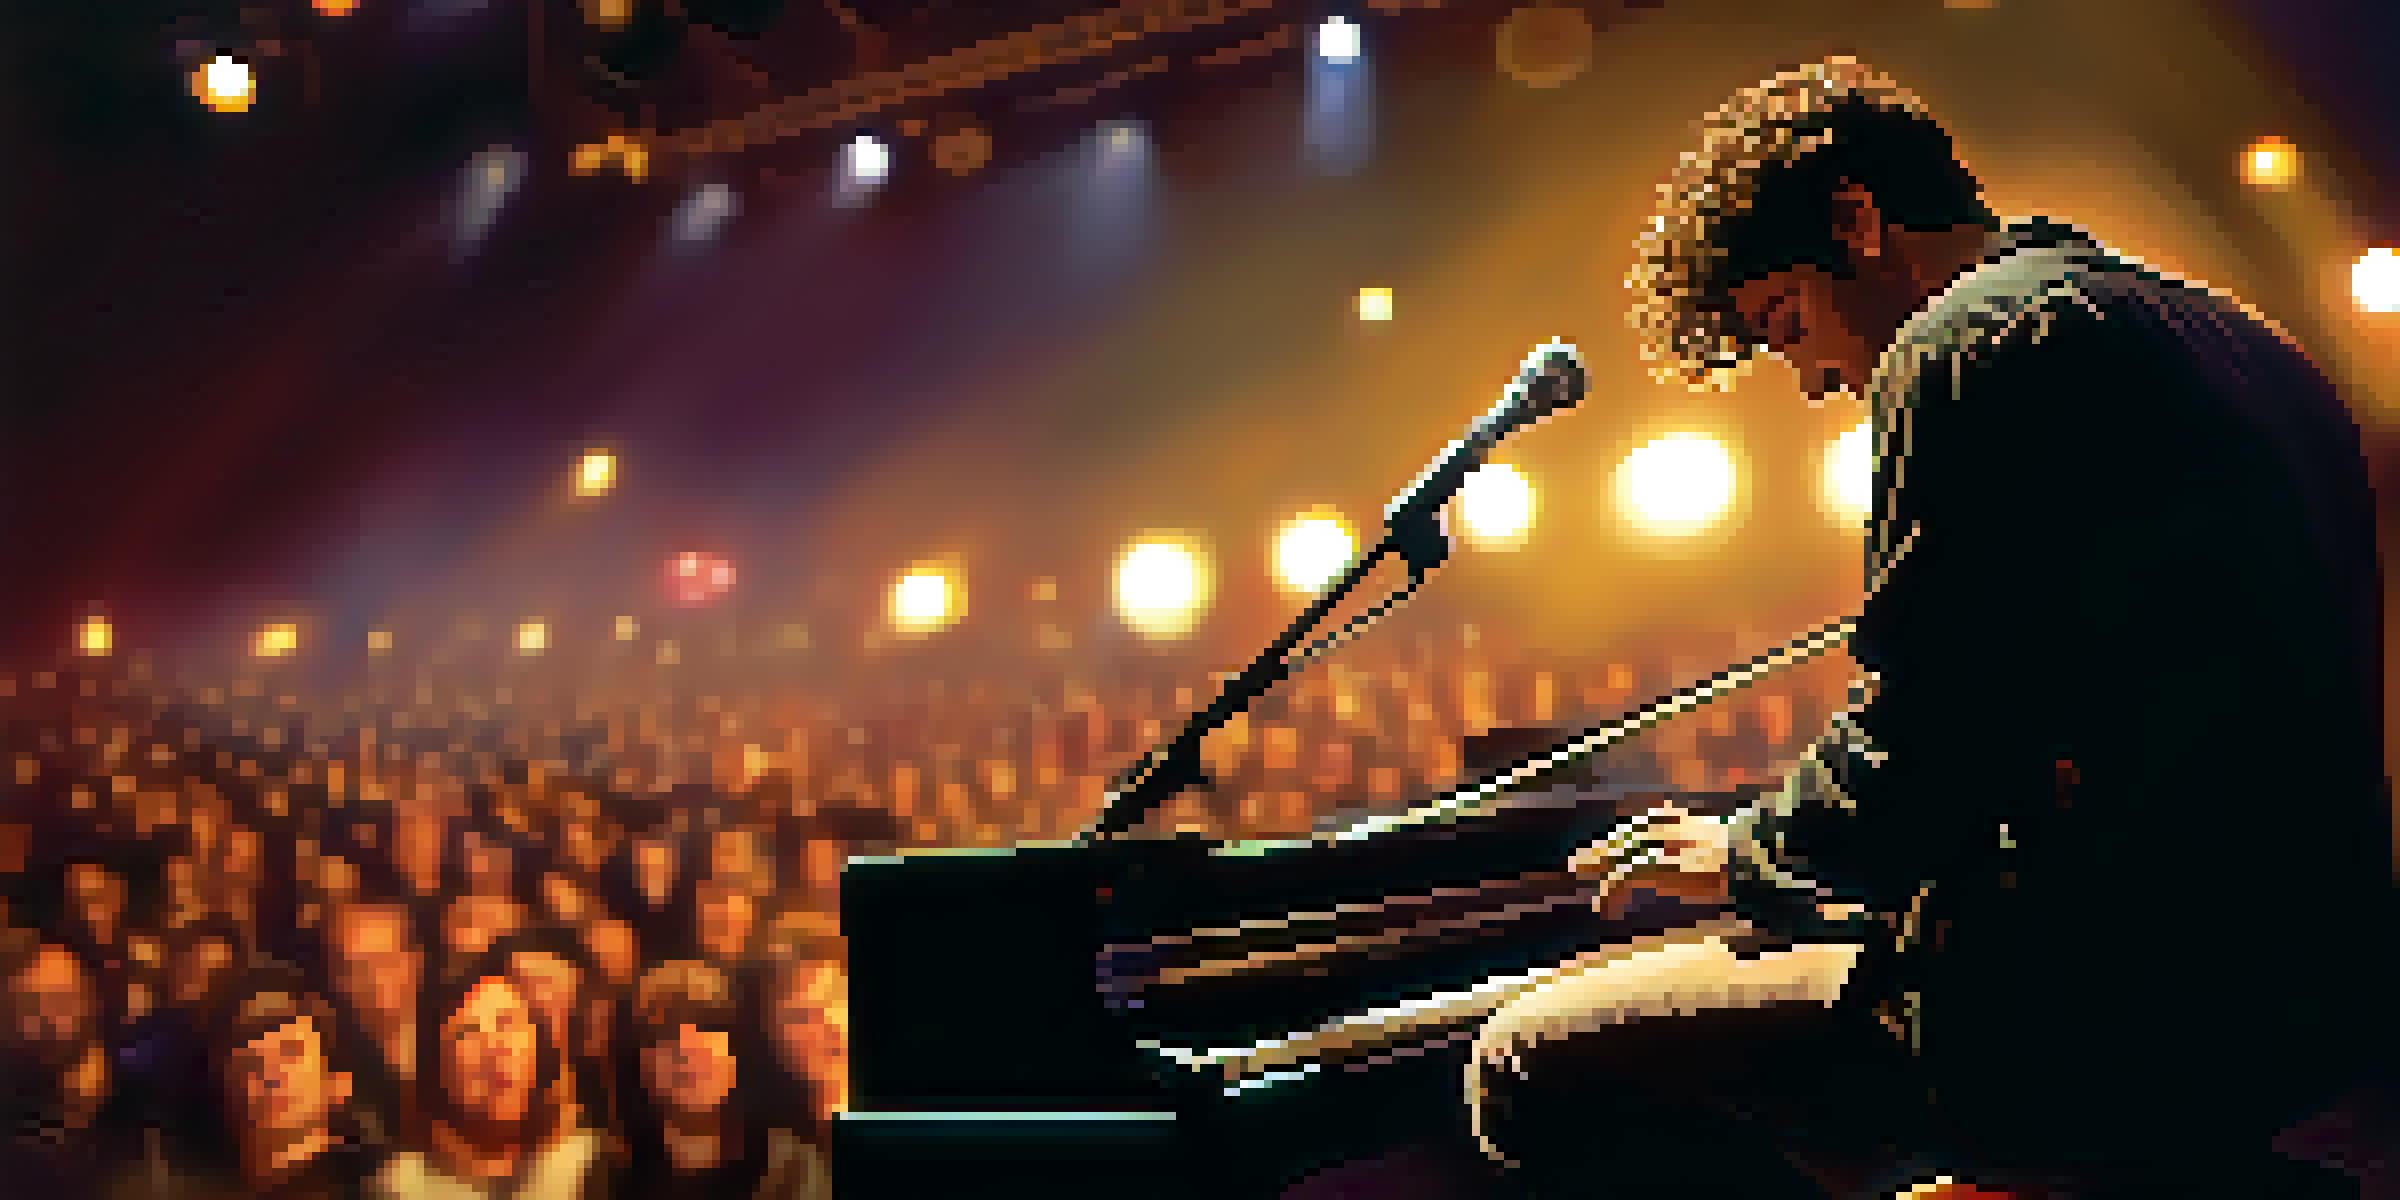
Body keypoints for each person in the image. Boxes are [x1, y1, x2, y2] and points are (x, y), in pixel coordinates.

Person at [1466, 55, 2391, 1200]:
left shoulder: (1963, 345)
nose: (1809, 379)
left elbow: (1933, 744)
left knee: (1525, 1058)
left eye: (1785, 320)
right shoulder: (2244, 344)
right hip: (2301, 991)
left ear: (1855, 220)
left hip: (2103, 1011)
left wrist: (1751, 854)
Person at [370, 945, 605, 1200]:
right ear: (437, 1066)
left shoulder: (596, 1169)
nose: (494, 1049)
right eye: (467, 1033)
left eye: (507, 1024)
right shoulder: (398, 1188)